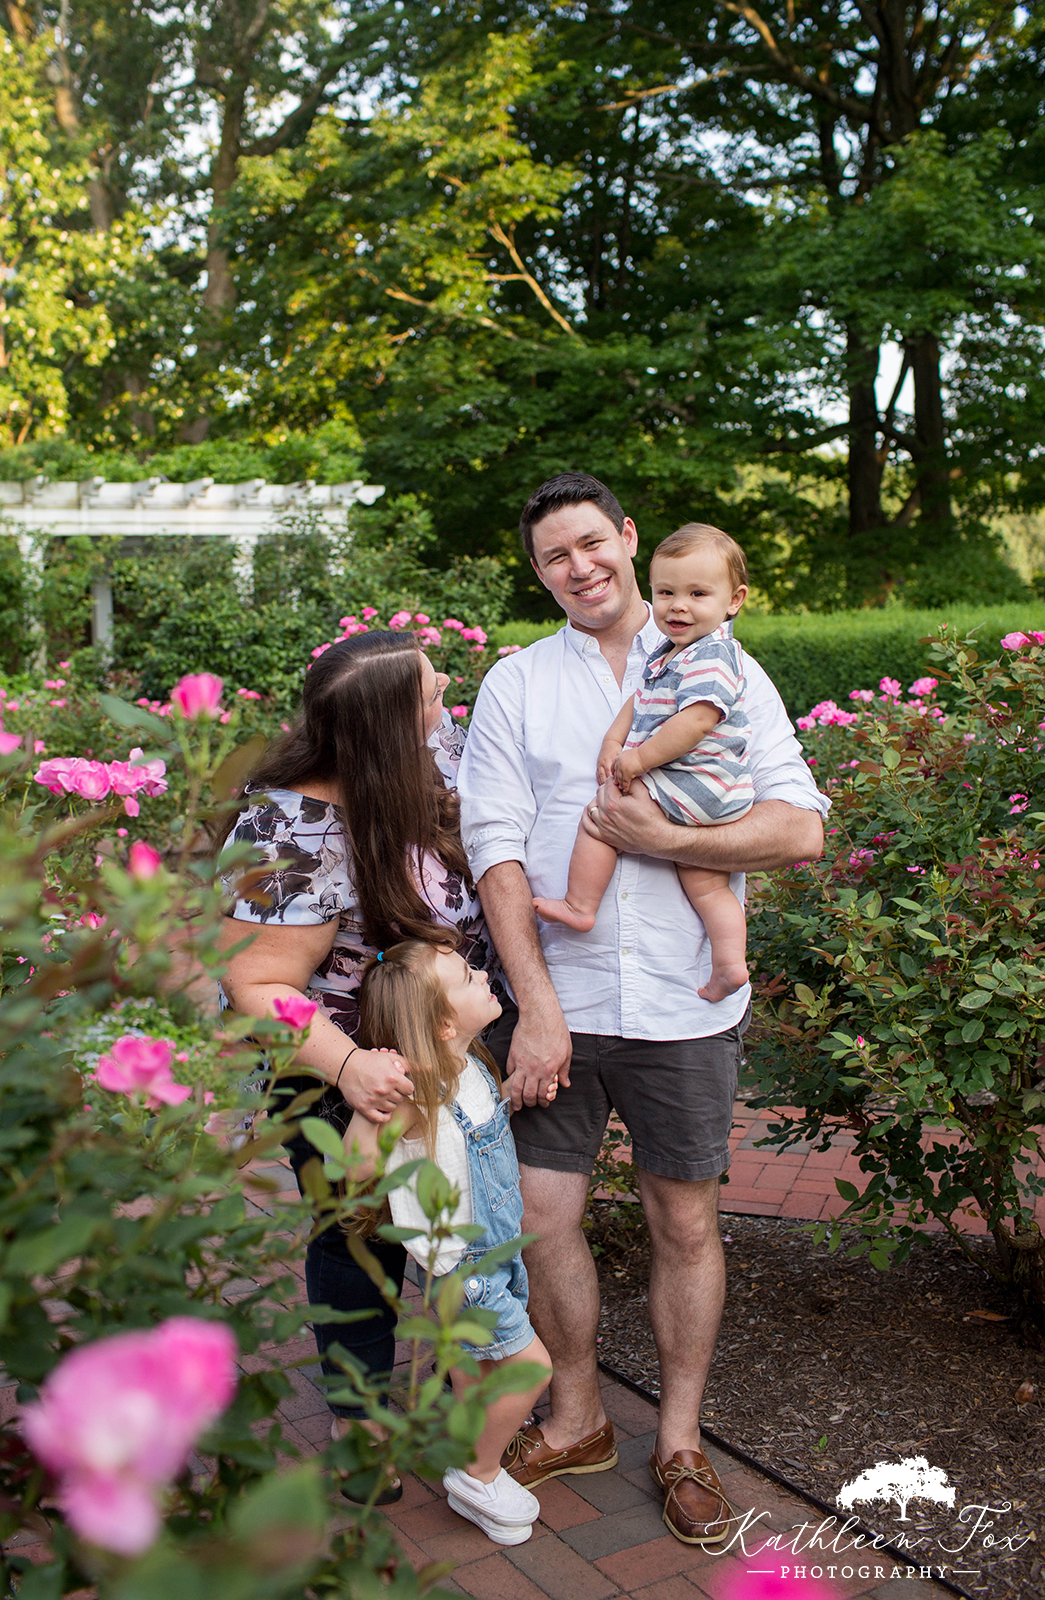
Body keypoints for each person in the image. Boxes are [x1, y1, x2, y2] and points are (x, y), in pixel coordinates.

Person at [457, 472, 828, 1547]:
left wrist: (672, 841)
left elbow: (798, 826)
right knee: (539, 1218)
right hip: (558, 1002)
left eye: (590, 543)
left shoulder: (728, 667)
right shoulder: (517, 682)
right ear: (538, 573)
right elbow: (492, 846)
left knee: (684, 1222)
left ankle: (678, 1441)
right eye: (552, 557)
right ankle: (575, 1414)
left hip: (682, 1001)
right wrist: (533, 1004)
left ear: (625, 539)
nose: (578, 568)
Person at [219, 631, 493, 1504]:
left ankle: (466, 1391)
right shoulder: (287, 830)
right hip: (335, 1065)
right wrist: (347, 1068)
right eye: (430, 692)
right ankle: (360, 1414)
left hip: (447, 1050)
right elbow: (255, 983)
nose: (445, 697)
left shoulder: (430, 751)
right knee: (357, 1233)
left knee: (461, 1221)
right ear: (382, 729)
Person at [344, 940, 552, 1545]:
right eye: (466, 975)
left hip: (496, 1252)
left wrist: (517, 1092)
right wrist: (369, 1098)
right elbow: (354, 1169)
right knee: (530, 1367)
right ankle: (478, 1474)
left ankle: (470, 1454)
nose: (482, 973)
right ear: (441, 1023)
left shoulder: (473, 1066)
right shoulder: (416, 1093)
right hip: (467, 1270)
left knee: (475, 1368)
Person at [533, 524, 754, 1003]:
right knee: (706, 884)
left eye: (698, 594)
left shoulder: (712, 655)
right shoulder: (673, 653)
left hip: (696, 779)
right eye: (666, 592)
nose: (678, 606)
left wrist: (635, 759)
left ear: (734, 600)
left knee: (604, 813)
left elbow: (696, 721)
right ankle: (730, 964)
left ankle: (580, 904)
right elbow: (641, 701)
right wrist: (612, 741)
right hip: (714, 790)